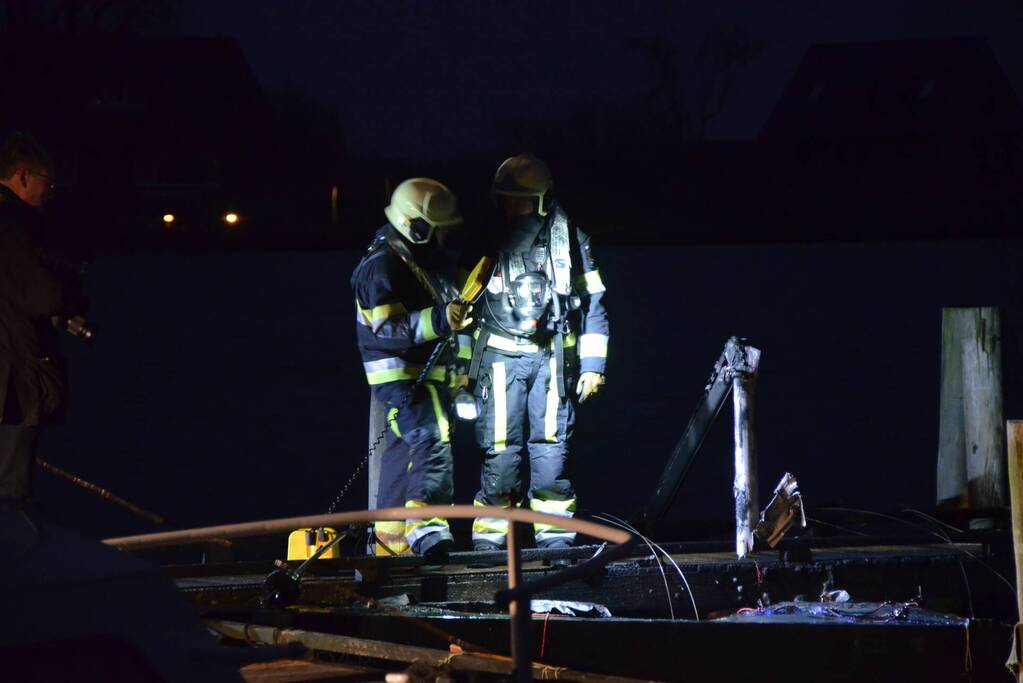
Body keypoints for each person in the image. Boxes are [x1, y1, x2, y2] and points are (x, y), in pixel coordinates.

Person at [469, 154, 609, 551]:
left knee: (551, 449)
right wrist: (462, 370)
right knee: (500, 450)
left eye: (520, 200)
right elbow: (463, 306)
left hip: (551, 360)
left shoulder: (571, 238)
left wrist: (593, 366)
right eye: (506, 200)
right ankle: (491, 537)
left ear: (542, 200)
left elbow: (594, 301)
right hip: (499, 362)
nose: (511, 209)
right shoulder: (486, 240)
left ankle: (555, 535)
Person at [352, 178, 472, 558]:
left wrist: (462, 371)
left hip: (429, 378)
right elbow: (387, 329)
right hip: (401, 379)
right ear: (416, 227)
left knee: (400, 457)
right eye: (439, 230)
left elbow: (455, 321)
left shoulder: (423, 261)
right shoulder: (381, 266)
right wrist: (440, 319)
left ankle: (390, 549)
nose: (445, 238)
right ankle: (428, 531)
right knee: (432, 438)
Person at [0, 132, 64, 503]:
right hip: (10, 382)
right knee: (9, 492)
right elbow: (42, 296)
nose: (48, 194)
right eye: (46, 183)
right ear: (23, 176)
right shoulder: (13, 225)